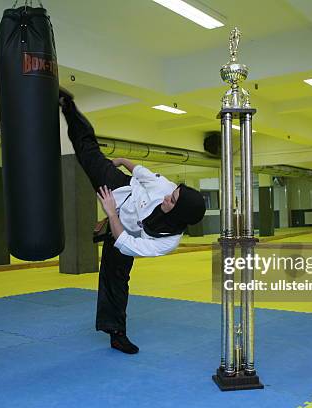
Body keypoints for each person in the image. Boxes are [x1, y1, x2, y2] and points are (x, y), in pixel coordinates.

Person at [59, 89, 206, 354]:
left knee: (116, 279)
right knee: (88, 152)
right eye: (172, 194)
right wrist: (120, 161)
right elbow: (139, 172)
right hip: (120, 188)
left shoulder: (167, 241)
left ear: (178, 215)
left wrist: (111, 215)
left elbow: (126, 244)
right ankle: (68, 105)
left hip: (124, 230)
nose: (166, 198)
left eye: (171, 201)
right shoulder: (164, 187)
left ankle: (116, 333)